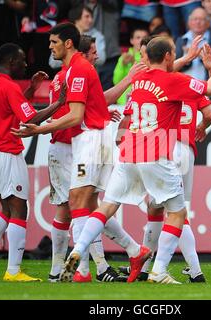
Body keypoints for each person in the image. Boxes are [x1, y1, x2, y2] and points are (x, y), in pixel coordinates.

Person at [60, 36, 211, 284]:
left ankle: (78, 248)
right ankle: (159, 271)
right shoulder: (174, 81)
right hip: (156, 155)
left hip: (128, 153)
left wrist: (187, 58)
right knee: (177, 213)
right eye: (172, 54)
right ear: (169, 56)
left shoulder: (138, 81)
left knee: (107, 207)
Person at [12, 23, 152, 283]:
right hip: (85, 139)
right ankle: (125, 254)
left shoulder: (78, 70)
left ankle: (83, 270)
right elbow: (93, 105)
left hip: (89, 139)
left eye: (53, 42)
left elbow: (76, 115)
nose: (49, 46)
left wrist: (39, 131)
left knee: (76, 202)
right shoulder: (70, 73)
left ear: (68, 43)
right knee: (84, 204)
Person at [46, 34, 145, 283]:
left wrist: (98, 111)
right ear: (80, 51)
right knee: (73, 207)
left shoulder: (75, 73)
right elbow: (78, 111)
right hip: (66, 145)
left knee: (84, 206)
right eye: (92, 52)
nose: (97, 55)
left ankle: (92, 268)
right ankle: (63, 268)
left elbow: (93, 103)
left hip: (82, 142)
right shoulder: (70, 75)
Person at [0, 43, 65, 282]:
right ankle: (13, 271)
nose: (25, 64)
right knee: (20, 209)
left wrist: (31, 89)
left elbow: (11, 109)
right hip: (6, 151)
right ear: (11, 62)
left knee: (7, 210)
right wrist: (59, 103)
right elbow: (30, 118)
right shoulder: (8, 86)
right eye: (21, 60)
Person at [118, 35, 211, 283]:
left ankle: (168, 267)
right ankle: (164, 266)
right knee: (169, 209)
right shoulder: (185, 83)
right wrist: (202, 126)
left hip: (167, 147)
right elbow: (210, 111)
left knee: (171, 210)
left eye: (144, 56)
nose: (143, 60)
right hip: (185, 148)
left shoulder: (155, 84)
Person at [113, 27, 149, 105]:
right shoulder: (123, 57)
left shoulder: (150, 57)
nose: (141, 40)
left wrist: (134, 63)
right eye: (138, 37)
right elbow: (116, 81)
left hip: (144, 98)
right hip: (124, 101)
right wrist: (123, 64)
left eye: (144, 37)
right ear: (131, 40)